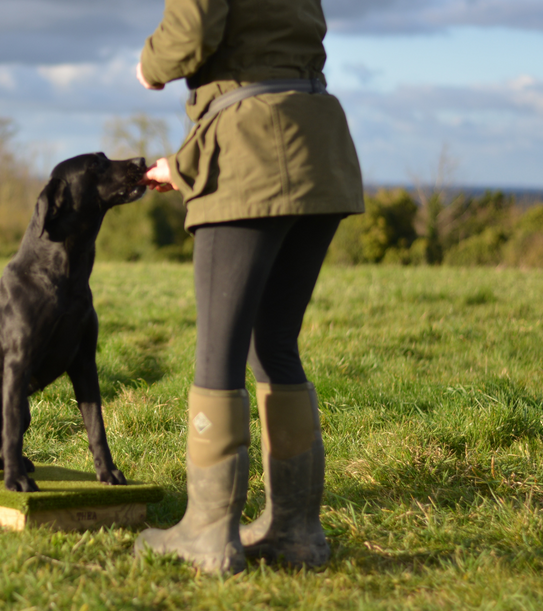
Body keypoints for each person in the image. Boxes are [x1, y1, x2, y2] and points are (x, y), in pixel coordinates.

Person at [132, 0, 365, 574]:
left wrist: (150, 63)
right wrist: (184, 163)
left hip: (251, 152)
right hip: (319, 147)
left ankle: (208, 535)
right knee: (274, 343)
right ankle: (297, 531)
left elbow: (191, 32)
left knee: (220, 352)